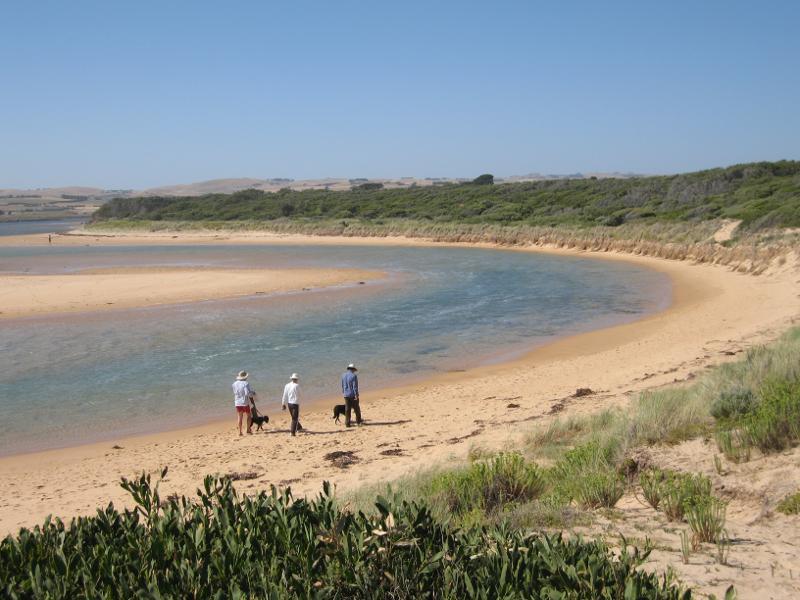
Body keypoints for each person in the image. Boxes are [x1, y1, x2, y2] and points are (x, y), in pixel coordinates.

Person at [232, 370, 254, 436]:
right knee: (249, 415)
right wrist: (252, 394)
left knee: (239, 416)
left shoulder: (234, 384)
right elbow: (247, 393)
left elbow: (235, 392)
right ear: (245, 377)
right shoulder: (246, 383)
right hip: (244, 402)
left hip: (237, 402)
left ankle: (240, 432)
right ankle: (248, 430)